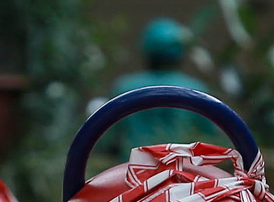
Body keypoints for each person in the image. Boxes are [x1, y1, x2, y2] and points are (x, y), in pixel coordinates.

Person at [97, 19, 227, 164]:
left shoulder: (124, 88)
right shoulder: (195, 90)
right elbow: (211, 140)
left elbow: (108, 142)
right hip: (183, 177)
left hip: (131, 175)